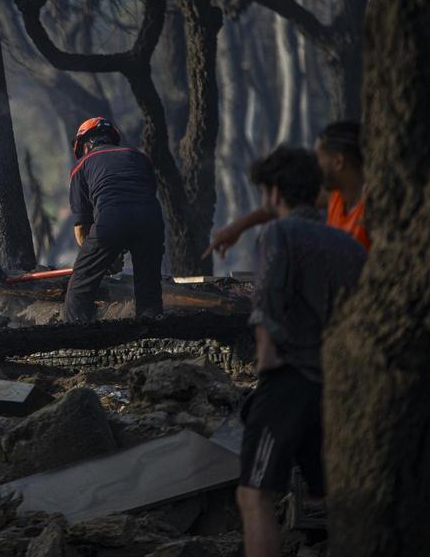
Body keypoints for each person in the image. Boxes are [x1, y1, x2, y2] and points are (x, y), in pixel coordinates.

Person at [236, 146, 366, 557]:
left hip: (289, 377)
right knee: (334, 496)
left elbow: (267, 304)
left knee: (254, 493)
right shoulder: (349, 245)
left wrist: (266, 365)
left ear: (275, 192)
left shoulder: (278, 234)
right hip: (339, 383)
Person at [204, 120, 369, 258]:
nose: (314, 165)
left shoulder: (372, 206)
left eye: (318, 158)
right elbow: (286, 203)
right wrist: (238, 227)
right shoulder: (335, 197)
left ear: (338, 162)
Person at [64, 117, 166, 323]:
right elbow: (144, 196)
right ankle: (152, 330)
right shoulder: (139, 157)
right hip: (151, 220)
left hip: (111, 219)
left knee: (80, 285)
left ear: (86, 144)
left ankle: (75, 331)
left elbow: (81, 227)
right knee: (149, 286)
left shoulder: (82, 165)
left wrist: (99, 256)